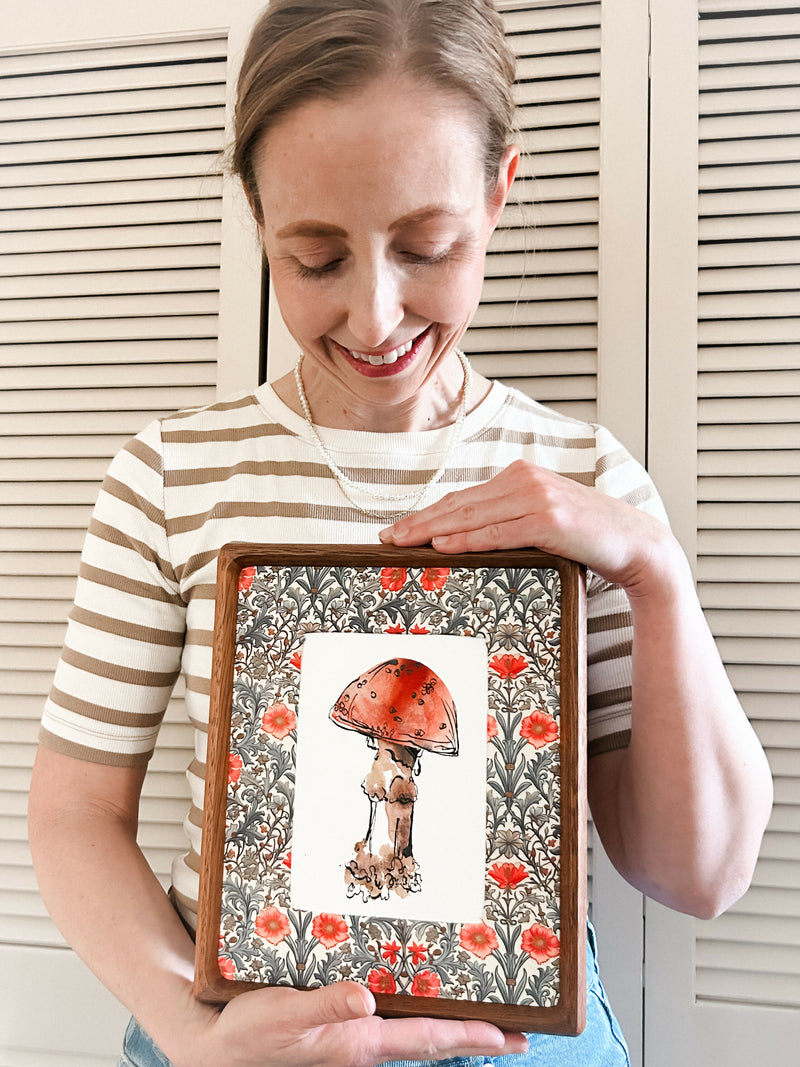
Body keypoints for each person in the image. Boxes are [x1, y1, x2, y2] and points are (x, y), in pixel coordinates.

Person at [27, 1, 773, 1065]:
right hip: (234, 1031)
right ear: (257, 218)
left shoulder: (589, 481)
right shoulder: (168, 475)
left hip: (522, 1036)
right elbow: (73, 814)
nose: (374, 318)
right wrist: (195, 1034)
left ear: (497, 193)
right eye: (316, 258)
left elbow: (695, 873)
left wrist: (655, 575)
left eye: (426, 247)